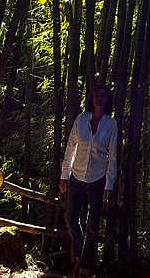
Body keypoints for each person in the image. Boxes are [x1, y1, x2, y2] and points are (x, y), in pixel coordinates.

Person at [60, 85, 118, 277]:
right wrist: (64, 176)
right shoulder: (81, 119)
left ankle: (84, 267)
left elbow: (113, 157)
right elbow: (70, 148)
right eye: (96, 96)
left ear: (107, 100)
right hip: (76, 176)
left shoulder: (111, 124)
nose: (99, 99)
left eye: (103, 96)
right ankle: (80, 257)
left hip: (97, 179)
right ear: (91, 99)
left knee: (92, 224)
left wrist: (109, 184)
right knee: (71, 220)